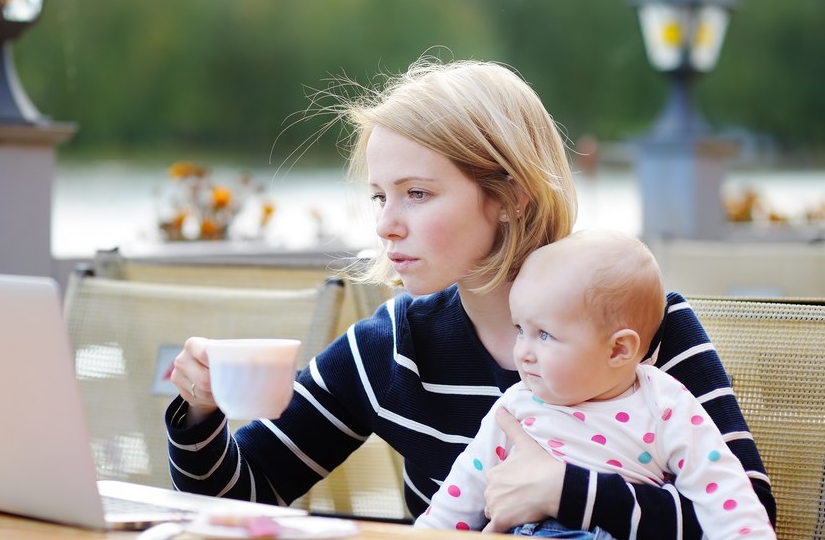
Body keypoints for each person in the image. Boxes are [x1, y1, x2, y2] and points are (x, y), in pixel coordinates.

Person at [165, 57, 775, 537]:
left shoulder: (642, 328)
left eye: (418, 194)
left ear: (509, 195)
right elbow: (239, 499)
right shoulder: (392, 348)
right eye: (381, 195)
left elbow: (748, 520)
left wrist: (565, 491)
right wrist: (200, 411)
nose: (386, 224)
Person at [415, 230, 775, 538]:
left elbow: (725, 495)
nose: (522, 352)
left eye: (544, 335)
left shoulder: (663, 403)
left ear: (618, 349)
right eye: (520, 330)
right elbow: (460, 495)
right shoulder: (517, 406)